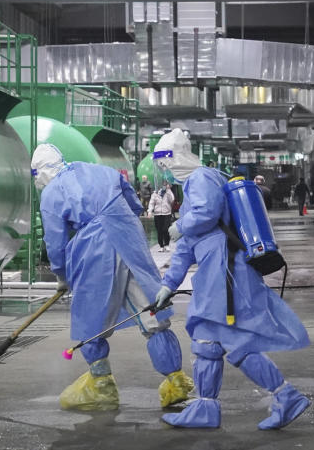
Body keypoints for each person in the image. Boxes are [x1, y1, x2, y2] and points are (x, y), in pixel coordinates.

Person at [151, 128, 310, 430]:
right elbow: (186, 247)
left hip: (224, 269)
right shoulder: (194, 187)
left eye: (166, 164)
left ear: (177, 158)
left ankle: (282, 396)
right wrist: (167, 285)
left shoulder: (202, 178)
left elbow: (207, 214)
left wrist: (181, 224)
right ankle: (210, 406)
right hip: (218, 269)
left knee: (224, 338)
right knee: (212, 340)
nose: (166, 172)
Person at [31, 144, 194, 412]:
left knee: (90, 317)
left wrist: (62, 275)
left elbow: (56, 244)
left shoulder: (51, 193)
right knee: (149, 310)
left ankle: (101, 386)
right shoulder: (99, 170)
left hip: (95, 247)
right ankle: (175, 380)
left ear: (40, 172)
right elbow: (132, 201)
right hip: (128, 235)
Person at [148, 183, 177, 252]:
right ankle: (161, 246)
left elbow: (172, 200)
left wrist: (169, 191)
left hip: (167, 213)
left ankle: (167, 245)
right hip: (157, 214)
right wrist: (150, 211)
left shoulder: (168, 192)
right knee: (159, 231)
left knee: (165, 229)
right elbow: (151, 203)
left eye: (165, 184)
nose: (163, 186)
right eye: (162, 185)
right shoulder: (155, 193)